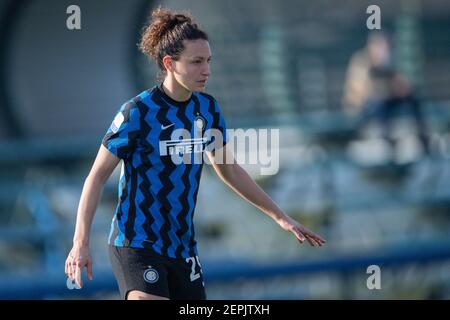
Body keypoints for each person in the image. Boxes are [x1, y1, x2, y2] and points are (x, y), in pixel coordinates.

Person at [65, 7, 326, 300]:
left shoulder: (208, 109)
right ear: (169, 63)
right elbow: (96, 178)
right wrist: (80, 243)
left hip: (182, 248)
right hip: (137, 242)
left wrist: (280, 217)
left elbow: (229, 170)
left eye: (209, 61)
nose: (207, 70)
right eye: (197, 62)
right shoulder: (137, 112)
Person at [343, 31, 429, 156]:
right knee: (380, 105)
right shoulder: (361, 61)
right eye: (381, 47)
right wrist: (385, 90)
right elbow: (361, 91)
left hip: (385, 99)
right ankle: (387, 140)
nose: (384, 51)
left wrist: (401, 90)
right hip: (361, 106)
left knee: (413, 99)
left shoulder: (387, 62)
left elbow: (399, 82)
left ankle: (423, 136)